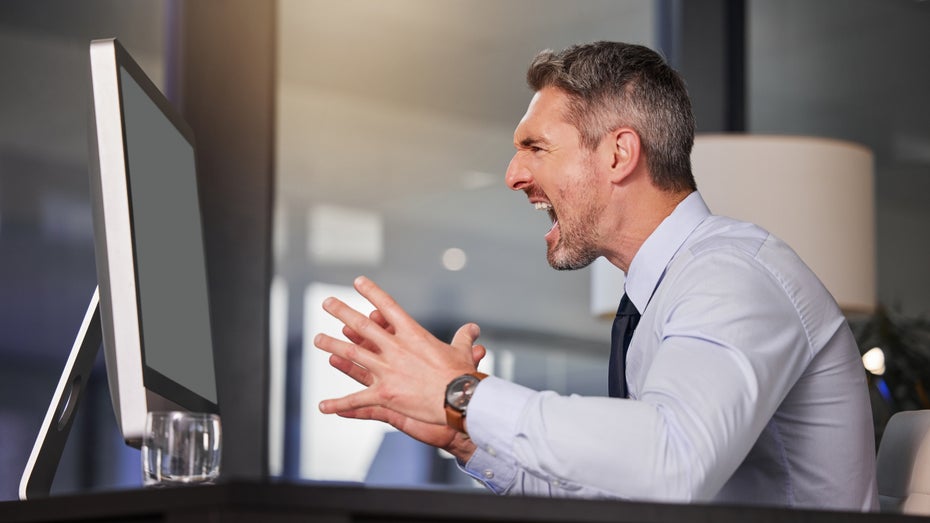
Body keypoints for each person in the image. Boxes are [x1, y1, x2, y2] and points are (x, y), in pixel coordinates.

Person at [313, 41, 878, 510]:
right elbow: (626, 489)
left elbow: (673, 463)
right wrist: (466, 436)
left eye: (535, 147)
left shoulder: (733, 275)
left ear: (617, 155)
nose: (514, 175)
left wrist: (464, 394)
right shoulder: (658, 297)